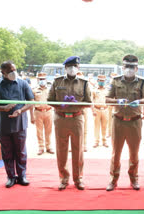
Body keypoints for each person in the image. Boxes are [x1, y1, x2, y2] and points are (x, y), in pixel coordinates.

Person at [0, 61, 34, 188]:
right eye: (10, 71)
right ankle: (11, 177)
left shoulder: (22, 83)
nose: (14, 73)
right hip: (3, 124)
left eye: (15, 69)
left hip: (20, 123)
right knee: (7, 152)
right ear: (3, 72)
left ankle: (22, 176)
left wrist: (20, 110)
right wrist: (3, 108)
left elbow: (31, 102)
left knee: (21, 151)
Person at [105, 55, 144, 191]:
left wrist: (140, 101)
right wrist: (116, 101)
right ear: (122, 67)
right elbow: (107, 99)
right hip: (118, 121)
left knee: (134, 153)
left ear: (136, 68)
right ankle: (113, 180)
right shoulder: (115, 81)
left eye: (132, 67)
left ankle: (134, 179)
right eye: (127, 67)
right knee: (116, 153)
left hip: (134, 122)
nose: (129, 69)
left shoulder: (142, 82)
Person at [47, 56, 92, 191]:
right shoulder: (57, 82)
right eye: (69, 66)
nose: (72, 68)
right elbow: (49, 100)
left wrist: (77, 103)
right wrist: (61, 105)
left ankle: (78, 179)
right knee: (61, 150)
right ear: (65, 68)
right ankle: (63, 178)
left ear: (78, 68)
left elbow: (89, 102)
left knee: (78, 149)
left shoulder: (84, 83)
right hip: (60, 118)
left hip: (76, 118)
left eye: (75, 66)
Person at [30, 72, 54, 155]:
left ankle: (48, 146)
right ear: (37, 80)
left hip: (48, 111)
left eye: (43, 79)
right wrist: (31, 116)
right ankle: (41, 147)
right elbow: (31, 103)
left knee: (49, 130)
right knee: (39, 131)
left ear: (46, 79)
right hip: (38, 112)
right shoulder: (34, 90)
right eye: (40, 79)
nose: (42, 80)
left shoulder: (50, 89)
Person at [91, 75, 108, 148]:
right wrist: (92, 110)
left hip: (105, 109)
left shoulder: (107, 90)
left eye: (103, 81)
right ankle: (96, 141)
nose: (102, 82)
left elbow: (109, 99)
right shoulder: (94, 90)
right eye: (100, 80)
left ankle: (104, 141)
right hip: (96, 109)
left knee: (104, 126)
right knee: (96, 126)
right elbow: (91, 100)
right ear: (97, 81)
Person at [77, 71, 88, 152]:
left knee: (84, 128)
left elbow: (89, 100)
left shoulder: (86, 86)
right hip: (75, 111)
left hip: (84, 110)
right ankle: (74, 146)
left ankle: (84, 145)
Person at [106, 72, 118, 138]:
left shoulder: (117, 83)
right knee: (109, 119)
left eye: (115, 75)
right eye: (112, 76)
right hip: (110, 104)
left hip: (116, 103)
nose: (113, 77)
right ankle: (109, 132)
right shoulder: (109, 85)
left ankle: (114, 132)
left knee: (116, 118)